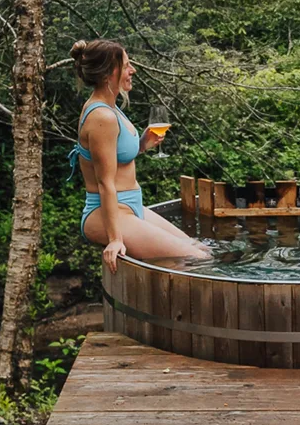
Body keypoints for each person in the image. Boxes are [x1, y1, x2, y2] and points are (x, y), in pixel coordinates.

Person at [69, 38, 209, 271]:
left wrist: (142, 144)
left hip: (130, 206)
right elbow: (105, 182)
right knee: (197, 260)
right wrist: (115, 239)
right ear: (107, 73)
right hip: (106, 213)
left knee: (201, 249)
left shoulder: (111, 107)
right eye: (125, 66)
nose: (132, 70)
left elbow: (115, 158)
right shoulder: (101, 116)